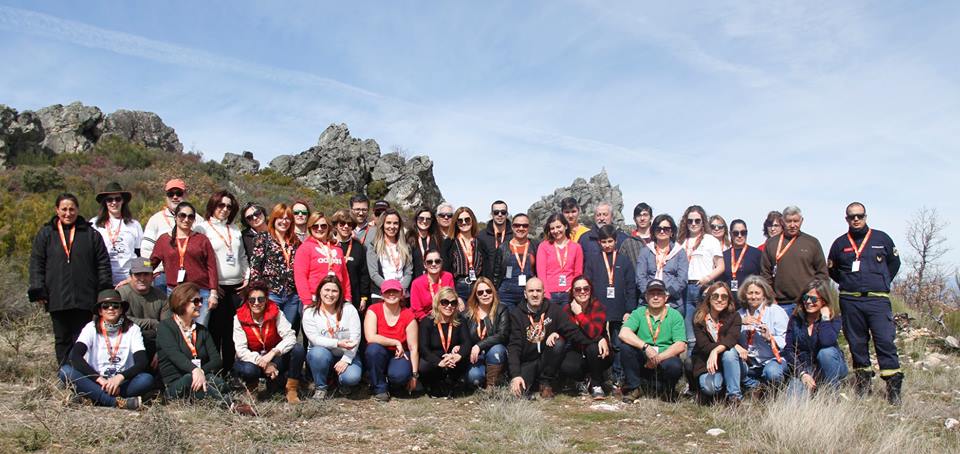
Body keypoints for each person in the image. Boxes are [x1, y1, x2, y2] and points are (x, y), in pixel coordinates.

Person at [827, 202, 903, 404]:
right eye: (852, 216)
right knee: (857, 343)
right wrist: (848, 283)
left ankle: (893, 386)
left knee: (885, 341)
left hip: (877, 299)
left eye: (859, 215)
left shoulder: (881, 238)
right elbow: (833, 271)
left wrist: (881, 281)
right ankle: (863, 383)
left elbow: (894, 264)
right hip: (850, 300)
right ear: (846, 219)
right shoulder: (839, 243)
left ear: (866, 217)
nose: (856, 219)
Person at [29, 193, 112, 365]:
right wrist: (39, 290)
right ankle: (65, 374)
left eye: (72, 209)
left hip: (85, 297)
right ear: (57, 210)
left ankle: (83, 375)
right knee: (62, 339)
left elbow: (103, 264)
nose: (68, 213)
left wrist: (103, 292)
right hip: (57, 297)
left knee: (83, 338)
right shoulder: (46, 234)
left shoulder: (91, 234)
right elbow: (37, 263)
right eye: (64, 209)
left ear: (78, 210)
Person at [157, 283, 255, 415]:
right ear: (182, 302)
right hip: (175, 383)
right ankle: (230, 405)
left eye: (201, 300)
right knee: (189, 379)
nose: (201, 305)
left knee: (218, 382)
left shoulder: (202, 330)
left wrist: (201, 372)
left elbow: (216, 360)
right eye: (196, 301)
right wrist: (194, 370)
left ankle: (207, 397)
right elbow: (174, 355)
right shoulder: (165, 327)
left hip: (200, 377)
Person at [58, 289, 155, 410]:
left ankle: (93, 398)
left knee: (146, 379)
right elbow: (75, 356)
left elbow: (142, 361)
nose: (111, 309)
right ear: (100, 311)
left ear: (121, 309)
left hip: (121, 383)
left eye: (115, 305)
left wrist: (119, 378)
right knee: (65, 371)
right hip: (95, 381)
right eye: (105, 306)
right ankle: (116, 402)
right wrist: (100, 380)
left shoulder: (132, 329)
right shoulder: (91, 328)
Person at [508, 277, 596, 399]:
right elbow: (514, 346)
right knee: (519, 393)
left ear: (544, 293)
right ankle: (532, 384)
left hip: (547, 360)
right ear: (525, 294)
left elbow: (573, 331)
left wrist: (597, 340)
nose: (535, 294)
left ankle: (546, 383)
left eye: (538, 291)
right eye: (531, 291)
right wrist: (516, 375)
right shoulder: (516, 315)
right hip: (528, 362)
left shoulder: (554, 310)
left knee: (558, 342)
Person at [196, 190, 248, 372]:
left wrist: (247, 276)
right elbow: (199, 261)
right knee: (214, 331)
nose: (225, 209)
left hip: (237, 287)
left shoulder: (234, 229)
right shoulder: (202, 228)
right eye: (221, 205)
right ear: (213, 205)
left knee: (232, 331)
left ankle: (229, 368)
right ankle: (214, 371)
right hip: (216, 288)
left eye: (229, 206)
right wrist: (213, 285)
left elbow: (241, 256)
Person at [232, 281, 305, 403]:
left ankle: (291, 389)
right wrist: (264, 363)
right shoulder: (238, 318)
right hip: (252, 360)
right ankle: (252, 388)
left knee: (298, 349)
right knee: (248, 369)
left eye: (260, 299)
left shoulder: (276, 312)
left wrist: (273, 353)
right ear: (247, 301)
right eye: (252, 300)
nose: (256, 303)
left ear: (266, 299)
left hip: (274, 358)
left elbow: (290, 336)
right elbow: (241, 350)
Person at [149, 202, 219, 326]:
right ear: (175, 217)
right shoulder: (164, 240)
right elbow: (151, 263)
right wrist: (133, 277)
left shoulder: (201, 240)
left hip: (200, 292)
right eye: (182, 215)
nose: (186, 219)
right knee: (179, 329)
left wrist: (213, 293)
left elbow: (211, 267)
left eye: (190, 217)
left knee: (200, 329)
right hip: (176, 292)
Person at [582, 224, 636, 388]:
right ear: (599, 242)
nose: (607, 245)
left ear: (616, 241)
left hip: (619, 310)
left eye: (610, 241)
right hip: (598, 310)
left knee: (618, 344)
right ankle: (597, 375)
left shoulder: (624, 260)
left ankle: (618, 376)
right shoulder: (593, 260)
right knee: (596, 343)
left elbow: (630, 287)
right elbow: (587, 285)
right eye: (604, 241)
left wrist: (629, 310)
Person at [618, 279, 687, 402]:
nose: (655, 297)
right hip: (643, 360)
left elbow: (680, 345)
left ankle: (668, 390)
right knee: (625, 348)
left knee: (675, 365)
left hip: (664, 360)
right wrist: (646, 347)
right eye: (651, 294)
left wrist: (658, 357)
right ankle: (635, 387)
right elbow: (624, 333)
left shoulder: (675, 315)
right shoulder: (638, 313)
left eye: (659, 294)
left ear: (666, 297)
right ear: (646, 296)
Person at [782, 279, 848, 398]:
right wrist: (802, 374)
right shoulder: (795, 319)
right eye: (805, 297)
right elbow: (788, 350)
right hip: (806, 368)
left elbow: (826, 341)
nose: (808, 302)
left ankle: (832, 394)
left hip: (831, 366)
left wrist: (825, 318)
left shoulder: (834, 318)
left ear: (823, 300)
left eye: (813, 299)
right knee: (792, 403)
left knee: (825, 353)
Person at [760, 206, 828, 316]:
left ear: (802, 221)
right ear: (782, 221)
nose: (792, 225)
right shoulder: (771, 244)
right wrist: (771, 298)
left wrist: (814, 297)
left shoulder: (812, 242)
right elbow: (765, 274)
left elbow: (822, 273)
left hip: (807, 303)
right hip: (779, 305)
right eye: (788, 221)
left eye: (796, 221)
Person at [303, 276, 362, 399]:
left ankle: (340, 381)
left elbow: (355, 337)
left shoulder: (349, 309)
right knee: (318, 354)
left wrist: (346, 359)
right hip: (322, 354)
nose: (330, 294)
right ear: (320, 291)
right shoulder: (310, 312)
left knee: (352, 378)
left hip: (346, 353)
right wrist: (338, 343)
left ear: (340, 293)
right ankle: (321, 387)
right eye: (327, 290)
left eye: (334, 291)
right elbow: (314, 339)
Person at [141, 179, 204, 293]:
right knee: (166, 309)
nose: (175, 197)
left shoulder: (197, 219)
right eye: (171, 194)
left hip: (191, 275)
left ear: (185, 195)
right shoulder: (155, 219)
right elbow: (146, 250)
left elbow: (205, 249)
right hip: (162, 275)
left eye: (179, 193)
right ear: (166, 197)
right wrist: (153, 272)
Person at [677, 205, 725, 349]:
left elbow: (721, 266)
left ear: (703, 222)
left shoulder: (710, 240)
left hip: (703, 288)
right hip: (684, 289)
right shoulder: (681, 241)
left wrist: (708, 279)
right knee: (689, 336)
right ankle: (691, 369)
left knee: (706, 331)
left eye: (697, 221)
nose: (693, 224)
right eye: (690, 221)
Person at [364, 280, 419, 401]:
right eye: (388, 291)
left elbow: (413, 347)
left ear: (401, 294)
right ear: (382, 294)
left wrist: (414, 375)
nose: (391, 294)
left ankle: (393, 382)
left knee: (399, 376)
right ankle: (380, 388)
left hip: (400, 354)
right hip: (380, 351)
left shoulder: (408, 314)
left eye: (395, 291)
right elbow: (370, 337)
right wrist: (395, 342)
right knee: (373, 350)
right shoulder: (373, 309)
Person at [249, 203, 301, 331]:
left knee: (287, 331)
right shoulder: (263, 237)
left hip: (291, 295)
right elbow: (255, 267)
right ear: (274, 219)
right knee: (270, 330)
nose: (284, 221)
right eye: (280, 218)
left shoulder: (296, 241)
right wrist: (257, 292)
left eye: (287, 218)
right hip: (271, 293)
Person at [559, 276, 612, 399]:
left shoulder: (598, 307)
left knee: (592, 347)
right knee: (566, 366)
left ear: (590, 290)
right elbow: (571, 333)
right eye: (578, 289)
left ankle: (596, 384)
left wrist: (579, 314)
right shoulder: (567, 309)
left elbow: (594, 332)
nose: (582, 292)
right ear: (572, 292)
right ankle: (584, 379)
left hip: (600, 354)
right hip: (578, 350)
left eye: (586, 288)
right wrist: (599, 338)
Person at [733, 276, 788, 393]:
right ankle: (756, 387)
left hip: (772, 360)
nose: (753, 297)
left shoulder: (775, 311)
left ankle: (775, 391)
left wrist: (770, 338)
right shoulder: (739, 315)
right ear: (744, 295)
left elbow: (786, 342)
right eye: (750, 293)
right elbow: (729, 338)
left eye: (757, 293)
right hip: (749, 363)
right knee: (731, 367)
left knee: (772, 373)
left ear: (764, 295)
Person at [691, 283, 743, 405]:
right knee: (711, 388)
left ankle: (734, 397)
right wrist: (726, 345)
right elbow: (704, 346)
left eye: (724, 297)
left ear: (729, 299)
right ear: (709, 298)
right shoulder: (698, 317)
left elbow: (732, 339)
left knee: (730, 353)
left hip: (731, 363)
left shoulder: (735, 316)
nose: (720, 299)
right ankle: (723, 388)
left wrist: (716, 351)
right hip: (707, 364)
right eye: (715, 296)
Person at [419, 287, 472, 397]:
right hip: (436, 359)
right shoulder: (427, 322)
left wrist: (458, 356)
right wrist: (439, 362)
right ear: (437, 303)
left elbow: (467, 343)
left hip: (453, 358)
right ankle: (433, 384)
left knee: (465, 359)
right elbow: (423, 348)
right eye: (445, 302)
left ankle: (454, 383)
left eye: (453, 303)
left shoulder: (460, 320)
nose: (449, 306)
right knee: (424, 366)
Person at [118, 259, 171, 366]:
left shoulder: (161, 297)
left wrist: (161, 350)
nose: (142, 279)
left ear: (152, 276)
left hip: (155, 342)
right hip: (126, 342)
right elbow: (120, 319)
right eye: (138, 275)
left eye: (146, 274)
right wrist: (151, 323)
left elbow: (167, 327)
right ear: (131, 276)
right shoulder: (121, 294)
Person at [294, 212, 352, 308]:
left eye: (323, 226)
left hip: (336, 300)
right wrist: (307, 301)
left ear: (328, 227)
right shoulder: (305, 248)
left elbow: (345, 276)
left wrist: (348, 297)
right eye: (315, 226)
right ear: (310, 228)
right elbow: (300, 277)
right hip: (314, 300)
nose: (319, 229)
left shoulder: (337, 249)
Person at [90, 182, 143, 285]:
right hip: (104, 279)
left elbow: (139, 254)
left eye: (117, 199)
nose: (114, 202)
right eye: (109, 199)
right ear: (105, 202)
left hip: (129, 280)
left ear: (123, 201)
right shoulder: (94, 224)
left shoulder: (134, 225)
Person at [463, 277, 510, 389]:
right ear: (476, 295)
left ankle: (491, 387)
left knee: (497, 349)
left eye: (488, 291)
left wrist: (479, 346)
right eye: (480, 292)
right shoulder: (467, 314)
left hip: (494, 353)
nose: (485, 294)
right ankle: (489, 378)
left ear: (493, 292)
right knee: (474, 379)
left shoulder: (501, 309)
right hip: (475, 358)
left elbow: (502, 335)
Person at [635, 214, 688, 308]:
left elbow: (682, 278)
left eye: (666, 229)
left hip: (672, 303)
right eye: (658, 229)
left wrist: (666, 294)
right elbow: (640, 277)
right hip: (647, 301)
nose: (662, 231)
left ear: (672, 232)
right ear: (653, 231)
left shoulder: (679, 252)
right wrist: (650, 294)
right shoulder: (645, 251)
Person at [441, 206, 490, 300]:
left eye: (467, 219)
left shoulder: (481, 243)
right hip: (458, 288)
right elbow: (446, 270)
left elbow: (486, 269)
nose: (464, 223)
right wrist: (452, 293)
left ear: (472, 221)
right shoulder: (449, 243)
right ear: (456, 223)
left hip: (477, 287)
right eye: (460, 220)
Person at [493, 213, 539, 310]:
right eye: (517, 225)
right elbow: (496, 274)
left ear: (529, 227)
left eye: (525, 225)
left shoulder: (535, 246)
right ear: (512, 227)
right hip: (506, 295)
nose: (521, 228)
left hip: (529, 294)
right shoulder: (503, 247)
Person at [367, 208, 414, 300]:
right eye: (388, 223)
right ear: (382, 224)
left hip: (402, 295)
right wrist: (389, 289)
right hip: (381, 295)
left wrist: (401, 289)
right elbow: (373, 274)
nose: (392, 226)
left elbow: (409, 272)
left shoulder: (406, 246)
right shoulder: (374, 246)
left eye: (395, 223)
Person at [536, 213, 583, 305]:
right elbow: (541, 273)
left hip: (568, 294)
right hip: (550, 294)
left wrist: (573, 290)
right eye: (552, 228)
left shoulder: (576, 247)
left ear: (565, 226)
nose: (556, 231)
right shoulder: (543, 246)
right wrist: (546, 295)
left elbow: (578, 272)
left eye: (558, 227)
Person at [331, 209, 370, 311]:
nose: (346, 227)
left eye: (350, 224)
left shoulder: (359, 247)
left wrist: (364, 297)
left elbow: (364, 274)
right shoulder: (329, 244)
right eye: (342, 223)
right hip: (330, 295)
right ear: (336, 225)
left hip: (353, 296)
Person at [720, 219, 762, 299]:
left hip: (750, 300)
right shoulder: (724, 256)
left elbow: (762, 278)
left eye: (743, 233)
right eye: (736, 233)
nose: (740, 236)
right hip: (729, 301)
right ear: (730, 234)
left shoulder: (757, 254)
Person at [409, 249, 455, 321]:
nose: (434, 264)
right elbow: (417, 311)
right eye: (429, 262)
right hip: (426, 320)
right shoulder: (416, 283)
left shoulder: (448, 277)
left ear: (441, 263)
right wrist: (431, 321)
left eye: (437, 261)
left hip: (446, 317)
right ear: (425, 265)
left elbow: (451, 301)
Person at [477, 200, 513, 271]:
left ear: (507, 214)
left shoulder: (514, 236)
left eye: (503, 212)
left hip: (508, 278)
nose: (500, 214)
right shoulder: (481, 236)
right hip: (488, 279)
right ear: (491, 214)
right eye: (496, 212)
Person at [407, 207, 441, 279]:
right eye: (421, 218)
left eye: (428, 219)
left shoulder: (437, 238)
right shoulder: (408, 239)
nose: (424, 221)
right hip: (415, 282)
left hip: (435, 281)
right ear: (416, 219)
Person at [619, 202, 653, 271]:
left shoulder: (659, 239)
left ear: (651, 217)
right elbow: (622, 268)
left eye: (645, 215)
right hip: (636, 280)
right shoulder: (628, 243)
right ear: (634, 219)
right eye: (639, 215)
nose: (642, 218)